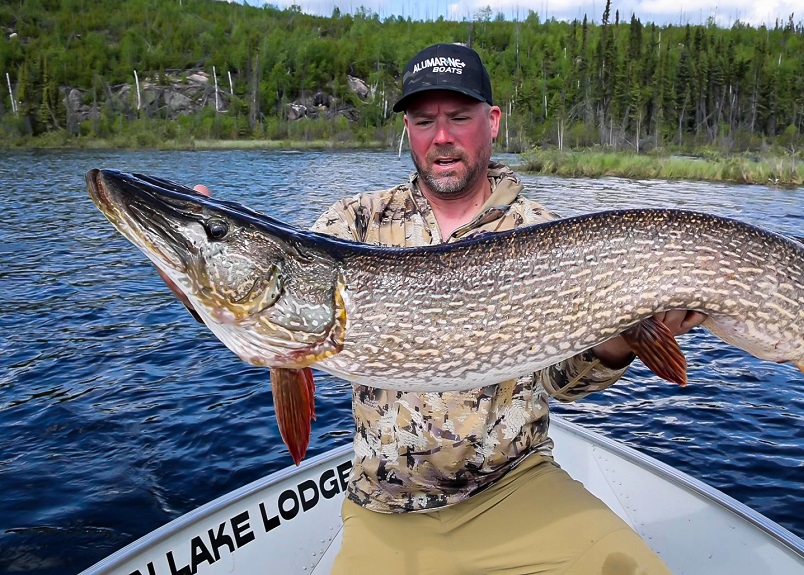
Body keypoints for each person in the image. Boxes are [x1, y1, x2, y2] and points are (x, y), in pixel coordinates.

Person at [168, 43, 705, 574]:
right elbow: (279, 309)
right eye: (424, 121)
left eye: (459, 117)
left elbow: (562, 383)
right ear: (408, 131)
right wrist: (205, 274)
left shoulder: (542, 231)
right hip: (386, 506)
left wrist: (625, 337)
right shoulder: (357, 221)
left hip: (515, 490)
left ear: (492, 122)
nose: (442, 137)